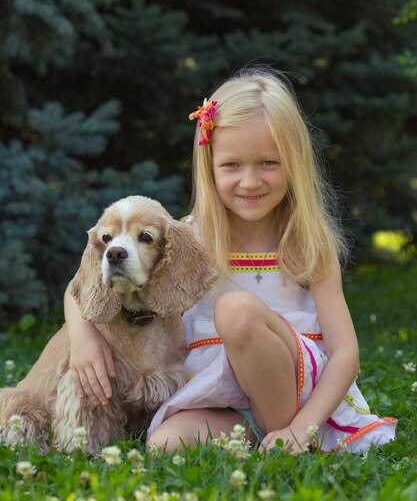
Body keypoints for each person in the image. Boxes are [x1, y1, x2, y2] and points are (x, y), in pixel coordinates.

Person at [65, 68, 397, 454]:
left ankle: (291, 439)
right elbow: (80, 288)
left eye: (268, 163)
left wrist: (304, 426)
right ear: (209, 167)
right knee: (163, 445)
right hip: (223, 398)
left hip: (301, 399)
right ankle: (263, 437)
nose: (250, 181)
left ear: (293, 163)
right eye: (232, 165)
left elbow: (346, 353)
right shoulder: (188, 237)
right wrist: (82, 337)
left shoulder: (306, 245)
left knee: (236, 309)